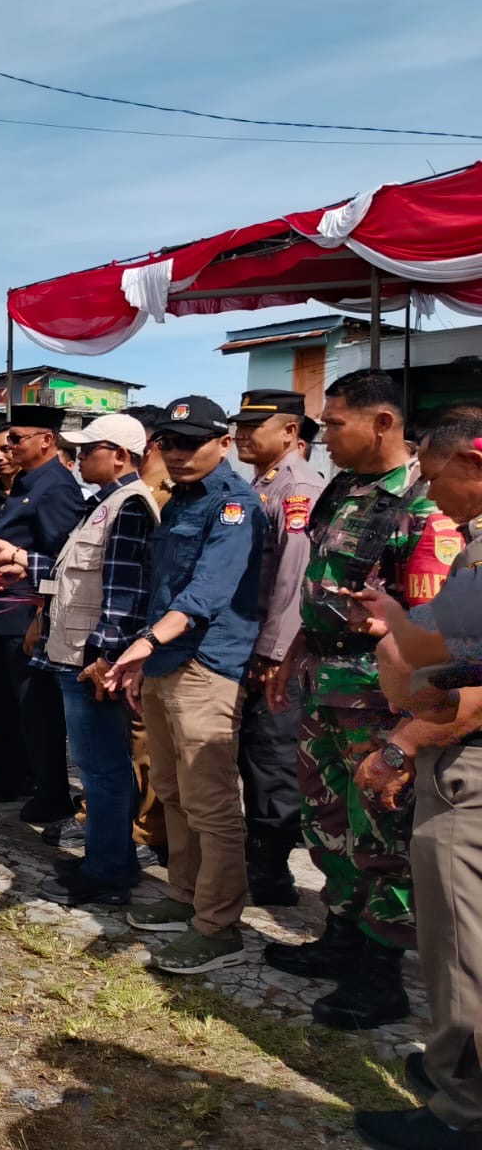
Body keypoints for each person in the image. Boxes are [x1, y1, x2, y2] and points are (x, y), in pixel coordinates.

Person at [262, 370, 460, 1030]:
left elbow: (438, 632)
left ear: (382, 423)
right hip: (324, 686)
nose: (323, 438)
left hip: (379, 698)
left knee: (382, 838)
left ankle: (380, 978)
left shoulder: (424, 504)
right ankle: (340, 941)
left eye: (335, 424)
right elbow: (319, 584)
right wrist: (293, 655)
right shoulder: (342, 490)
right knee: (329, 829)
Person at [345, 410, 482, 1150]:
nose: (432, 492)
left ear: (473, 460)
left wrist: (400, 744)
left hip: (469, 769)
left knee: (462, 945)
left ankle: (462, 1116)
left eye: (435, 475)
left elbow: (453, 664)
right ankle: (453, 1067)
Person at [105, 397, 264, 974]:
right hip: (165, 662)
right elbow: (163, 588)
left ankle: (219, 926)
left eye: (190, 442)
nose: (176, 453)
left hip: (207, 668)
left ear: (223, 443)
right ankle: (184, 895)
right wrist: (149, 655)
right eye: (167, 442)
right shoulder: (180, 502)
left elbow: (207, 592)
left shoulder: (236, 508)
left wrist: (142, 646)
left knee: (212, 805)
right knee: (171, 791)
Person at [0, 415, 157, 906]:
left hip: (89, 661)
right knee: (98, 765)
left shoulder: (129, 506)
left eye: (89, 450)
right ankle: (107, 857)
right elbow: (75, 574)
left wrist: (105, 657)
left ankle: (108, 871)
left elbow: (124, 594)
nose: (78, 458)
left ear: (120, 455)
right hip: (73, 654)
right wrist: (21, 560)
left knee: (102, 769)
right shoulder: (103, 504)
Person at [0, 406, 85, 823]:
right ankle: (1, 776)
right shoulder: (29, 484)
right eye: (6, 441)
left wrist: (40, 617)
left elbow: (61, 558)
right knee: (0, 704)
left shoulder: (56, 487)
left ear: (46, 440)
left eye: (17, 439)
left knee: (36, 709)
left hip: (25, 617)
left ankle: (50, 791)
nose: (8, 448)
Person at [230, 390, 327, 906]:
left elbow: (293, 579)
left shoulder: (298, 487)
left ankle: (270, 873)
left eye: (255, 426)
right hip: (254, 645)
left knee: (272, 757)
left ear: (291, 432)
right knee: (255, 755)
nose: (243, 435)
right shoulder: (266, 482)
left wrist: (272, 655)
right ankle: (258, 859)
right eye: (240, 426)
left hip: (276, 652)